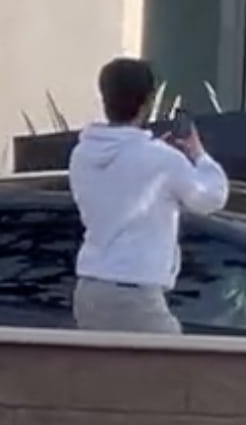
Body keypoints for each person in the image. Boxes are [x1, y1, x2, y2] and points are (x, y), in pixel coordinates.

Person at [68, 56, 230, 335]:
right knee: (173, 374)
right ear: (148, 103)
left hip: (89, 290)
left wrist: (161, 156)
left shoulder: (82, 153)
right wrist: (198, 154)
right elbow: (210, 198)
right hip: (135, 293)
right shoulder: (161, 160)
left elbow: (122, 180)